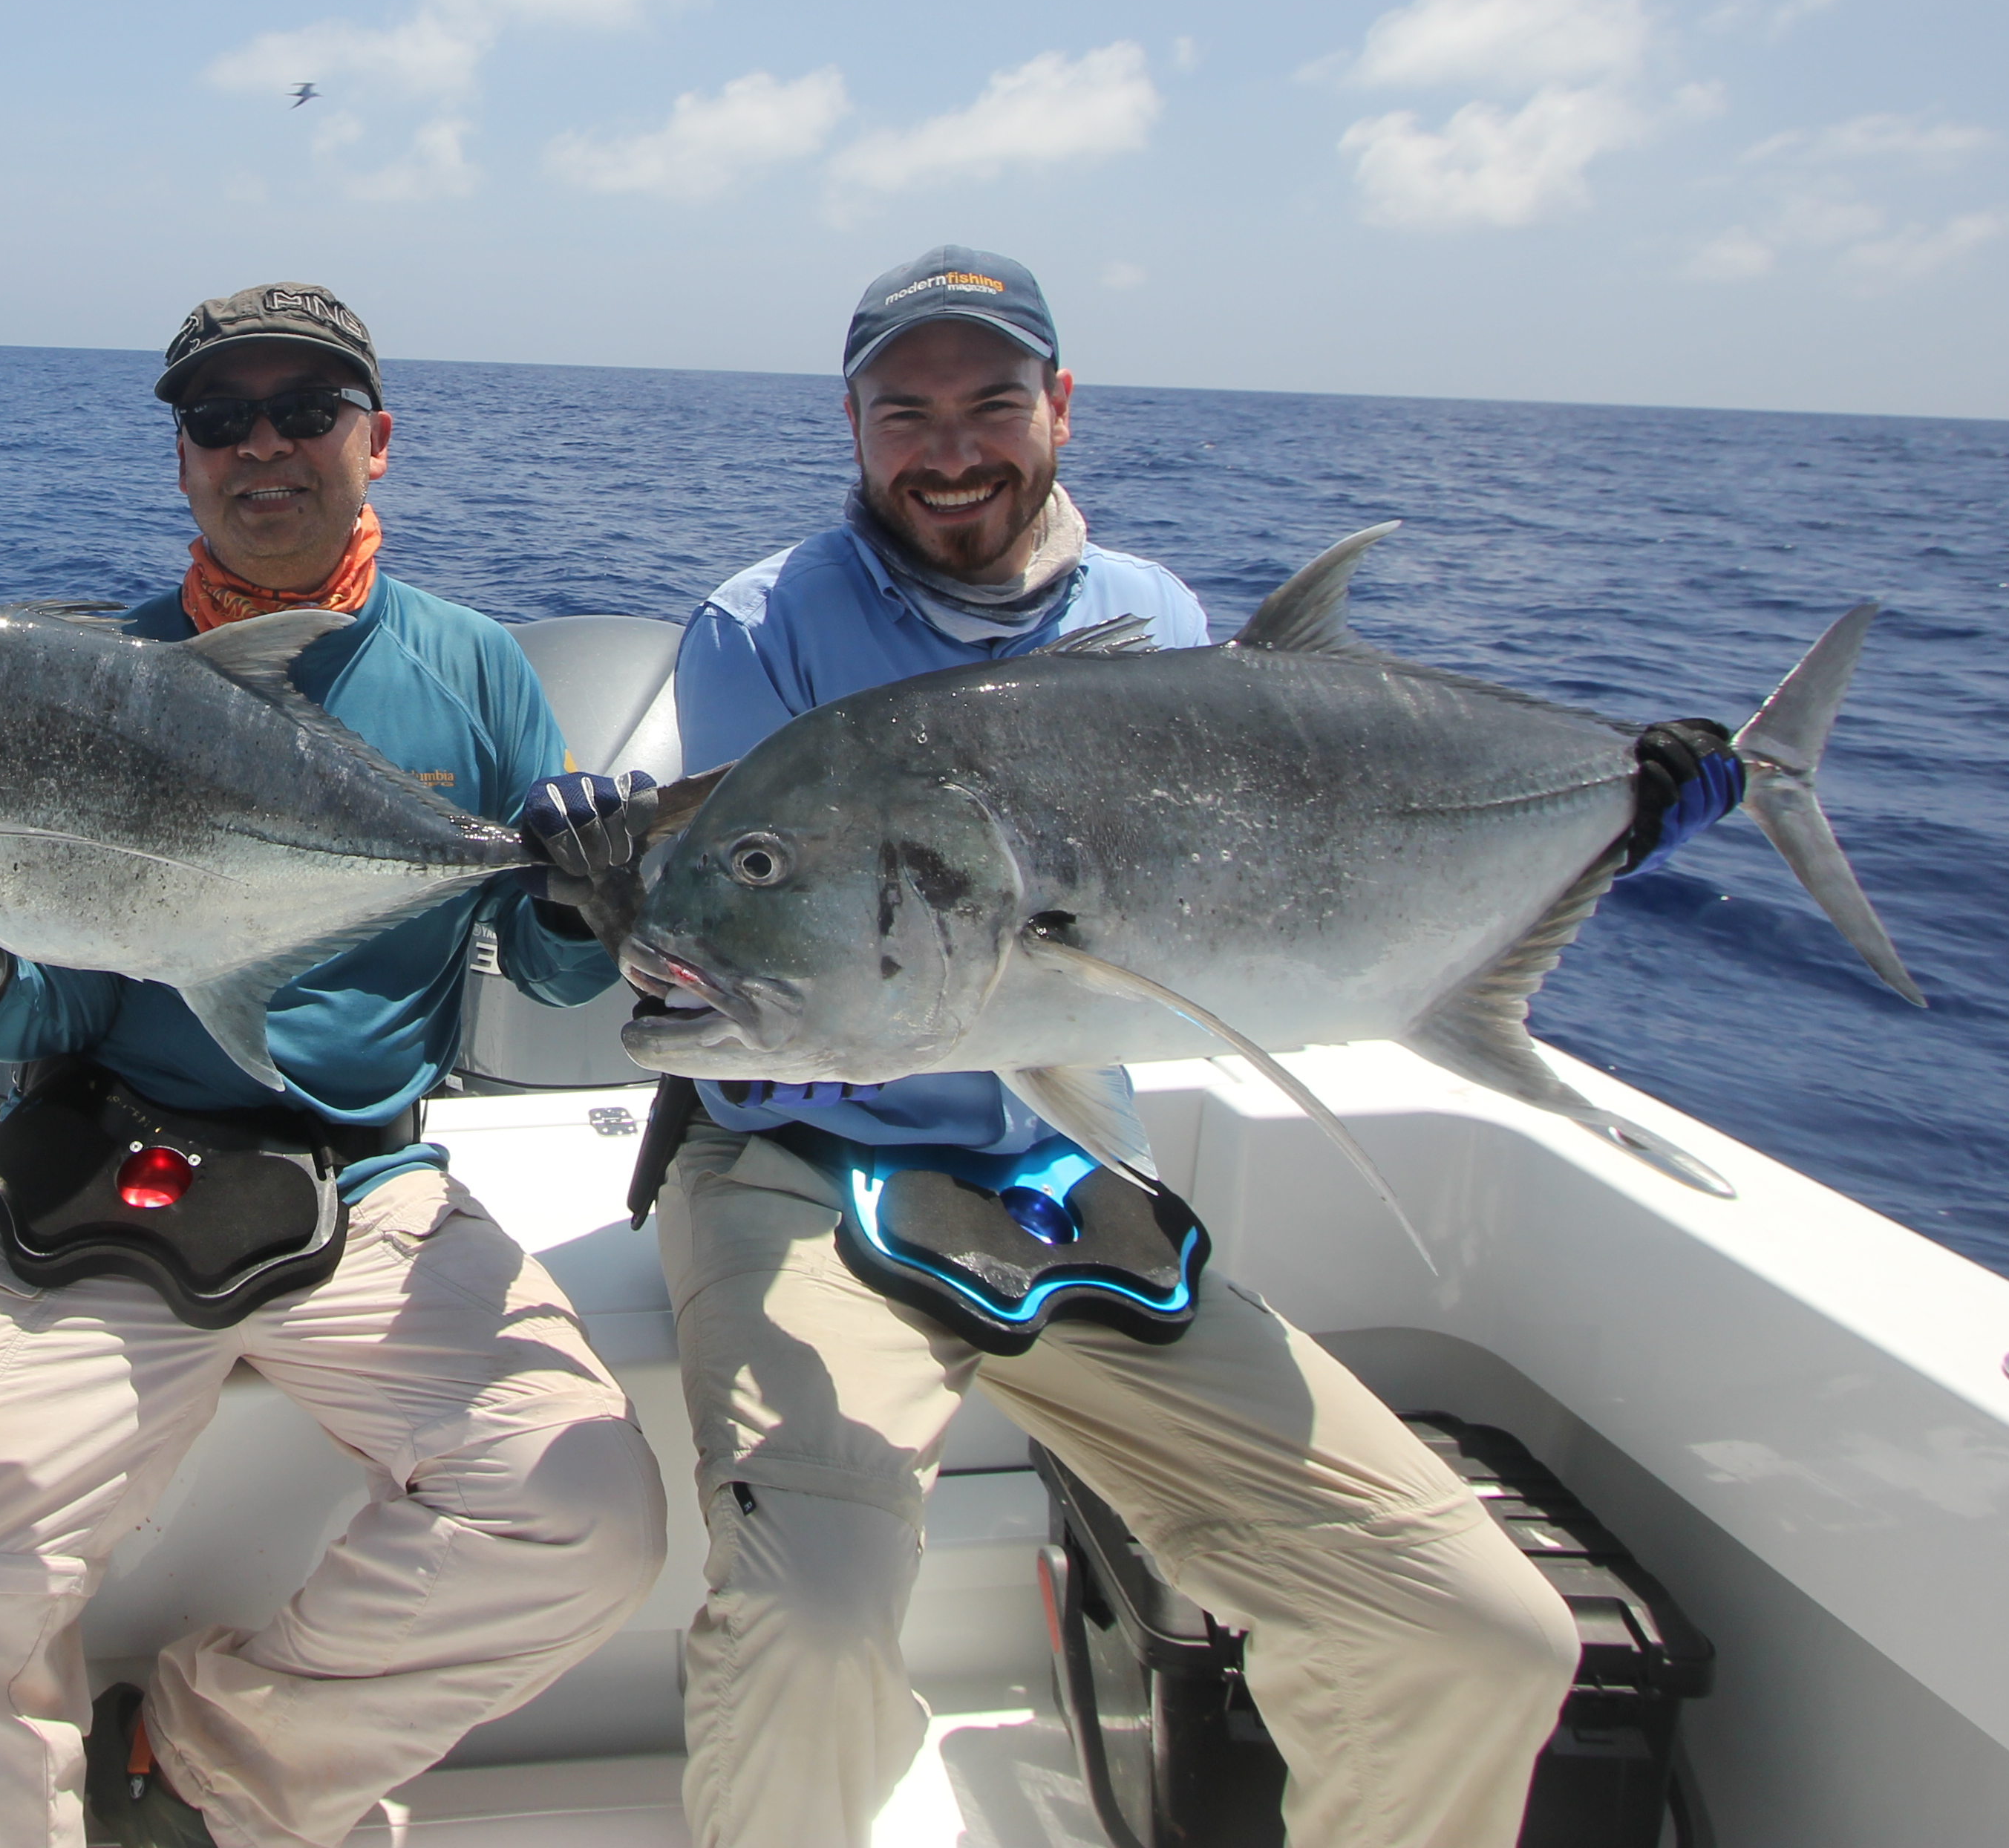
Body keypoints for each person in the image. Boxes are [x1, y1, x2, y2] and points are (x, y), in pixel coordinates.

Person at [618, 250, 1592, 1848]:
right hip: (799, 1162)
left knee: (1476, 1630)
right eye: (905, 411)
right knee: (814, 1619)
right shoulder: (764, 622)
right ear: (852, 425)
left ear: (1060, 408)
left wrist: (1603, 815)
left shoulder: (1160, 619)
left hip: (1065, 1177)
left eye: (992, 403)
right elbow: (771, 943)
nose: (950, 449)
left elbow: (1207, 932)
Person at [0, 285, 670, 1848]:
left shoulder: (471, 672)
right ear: (182, 464)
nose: (262, 445)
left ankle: (205, 1773)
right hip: (95, 1181)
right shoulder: (83, 673)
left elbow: (539, 969)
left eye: (304, 410)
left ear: (375, 441)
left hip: (368, 1190)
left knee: (584, 1518)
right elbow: (44, 1021)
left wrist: (589, 897)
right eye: (218, 420)